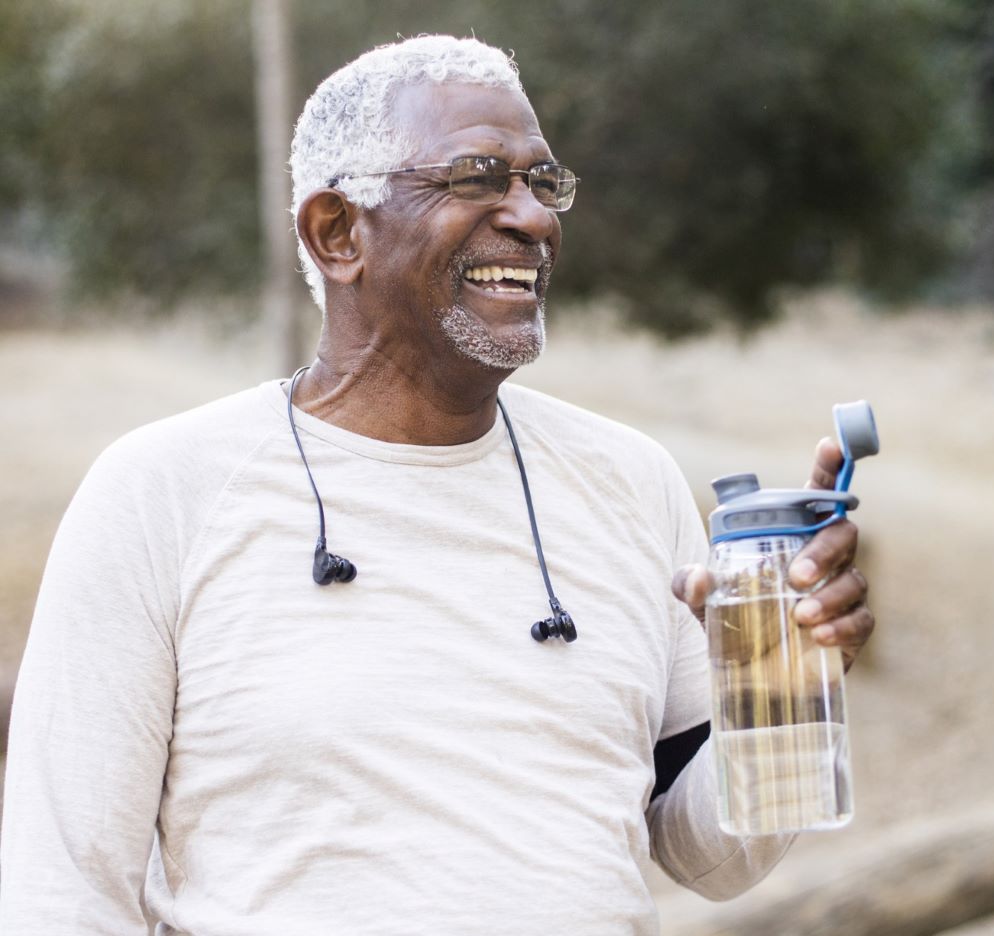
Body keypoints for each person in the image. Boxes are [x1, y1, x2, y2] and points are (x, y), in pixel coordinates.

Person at [0, 35, 873, 935]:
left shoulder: (631, 483)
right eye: (478, 178)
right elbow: (63, 892)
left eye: (543, 183)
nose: (533, 219)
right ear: (338, 233)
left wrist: (786, 679)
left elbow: (708, 859)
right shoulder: (161, 494)